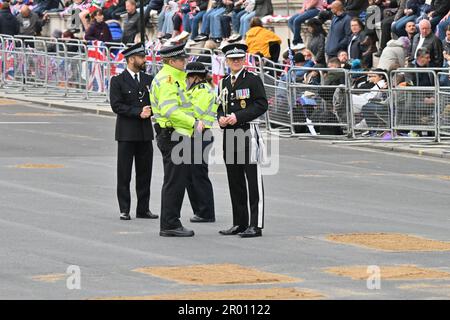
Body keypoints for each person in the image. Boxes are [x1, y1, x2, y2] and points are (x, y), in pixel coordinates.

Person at [150, 43, 204, 237]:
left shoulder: (174, 78)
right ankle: (170, 223)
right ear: (172, 61)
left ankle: (171, 222)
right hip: (173, 134)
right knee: (174, 181)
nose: (185, 62)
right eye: (182, 59)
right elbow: (169, 110)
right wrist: (193, 121)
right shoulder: (168, 80)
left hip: (178, 134)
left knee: (176, 180)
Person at [217, 43, 268, 238]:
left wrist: (239, 116)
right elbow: (220, 105)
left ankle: (256, 224)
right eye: (232, 59)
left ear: (244, 60)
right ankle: (239, 222)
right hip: (229, 134)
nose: (236, 62)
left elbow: (261, 104)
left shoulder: (253, 80)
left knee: (253, 180)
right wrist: (220, 118)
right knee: (234, 180)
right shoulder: (224, 82)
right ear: (227, 61)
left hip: (248, 131)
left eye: (239, 58)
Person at [109, 42, 158, 221]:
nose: (144, 60)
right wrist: (138, 112)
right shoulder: (118, 80)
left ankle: (143, 208)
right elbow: (116, 105)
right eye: (141, 57)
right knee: (124, 173)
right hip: (126, 133)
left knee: (145, 173)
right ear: (131, 59)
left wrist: (152, 110)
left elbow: (156, 101)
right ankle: (124, 208)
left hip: (145, 133)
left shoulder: (149, 80)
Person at [184, 62, 217, 223]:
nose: (186, 80)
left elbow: (193, 112)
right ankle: (199, 210)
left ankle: (206, 212)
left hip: (200, 136)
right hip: (193, 135)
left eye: (188, 77)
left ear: (195, 77)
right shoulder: (194, 90)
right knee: (190, 175)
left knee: (199, 175)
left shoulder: (203, 91)